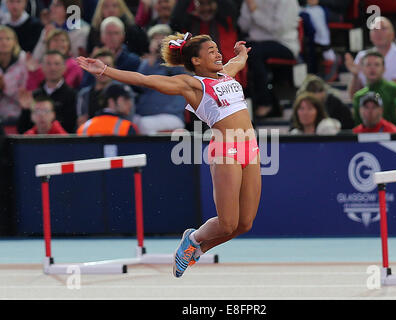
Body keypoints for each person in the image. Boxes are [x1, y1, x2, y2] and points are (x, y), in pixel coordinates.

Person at [77, 32, 261, 278]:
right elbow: (145, 80)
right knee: (227, 223)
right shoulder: (192, 85)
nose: (218, 54)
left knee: (245, 224)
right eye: (211, 51)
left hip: (251, 148)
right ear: (196, 61)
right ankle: (193, 238)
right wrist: (105, 71)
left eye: (218, 50)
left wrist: (241, 54)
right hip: (226, 150)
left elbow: (237, 63)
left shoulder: (226, 74)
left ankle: (197, 248)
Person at [237, 0, 300, 118]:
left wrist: (255, 12)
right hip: (255, 42)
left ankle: (265, 102)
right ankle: (244, 103)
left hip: (283, 43)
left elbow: (278, 29)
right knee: (238, 51)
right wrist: (249, 8)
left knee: (253, 53)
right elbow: (243, 26)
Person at [170, 0, 243, 84]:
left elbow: (230, 6)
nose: (206, 8)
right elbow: (176, 17)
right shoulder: (188, 24)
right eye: (201, 4)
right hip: (201, 82)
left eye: (209, 3)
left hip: (231, 78)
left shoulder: (227, 19)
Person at [134, 24, 186, 134]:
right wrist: (151, 58)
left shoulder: (179, 61)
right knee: (132, 122)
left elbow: (184, 77)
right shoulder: (147, 62)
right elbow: (139, 84)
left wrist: (169, 55)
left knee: (143, 124)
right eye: (155, 40)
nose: (159, 44)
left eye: (162, 40)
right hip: (146, 114)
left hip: (171, 115)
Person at [345, 16, 396, 97]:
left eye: (383, 29)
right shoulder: (362, 56)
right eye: (375, 29)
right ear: (370, 36)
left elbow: (394, 93)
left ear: (392, 34)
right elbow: (354, 96)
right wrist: (355, 76)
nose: (379, 33)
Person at [17, 50, 77, 133]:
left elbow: (72, 127)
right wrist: (26, 110)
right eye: (48, 64)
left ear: (64, 67)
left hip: (62, 143)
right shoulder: (34, 95)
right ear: (42, 67)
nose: (52, 68)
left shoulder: (73, 95)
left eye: (57, 64)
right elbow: (22, 130)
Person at [80, 16, 142, 89]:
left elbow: (137, 87)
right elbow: (85, 85)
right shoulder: (94, 59)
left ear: (123, 36)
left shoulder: (133, 61)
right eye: (108, 33)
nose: (112, 37)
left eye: (116, 33)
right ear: (101, 37)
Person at [352, 51, 396, 126]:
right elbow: (358, 126)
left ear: (384, 69)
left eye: (377, 64)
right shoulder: (358, 97)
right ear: (362, 69)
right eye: (368, 65)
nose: (372, 68)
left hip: (393, 135)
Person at [76, 49, 117, 127]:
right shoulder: (84, 94)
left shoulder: (123, 91)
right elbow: (82, 123)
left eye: (107, 66)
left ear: (114, 67)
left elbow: (127, 120)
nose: (102, 71)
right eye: (98, 66)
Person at [299, 0, 338, 82]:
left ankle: (326, 49)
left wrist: (319, 1)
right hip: (305, 7)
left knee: (314, 17)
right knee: (305, 17)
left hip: (330, 8)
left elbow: (339, 4)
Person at [0, 26, 28, 126]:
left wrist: (4, 87)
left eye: (8, 39)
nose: (4, 42)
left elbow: (25, 91)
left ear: (14, 42)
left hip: (17, 113)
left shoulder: (23, 60)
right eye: (0, 39)